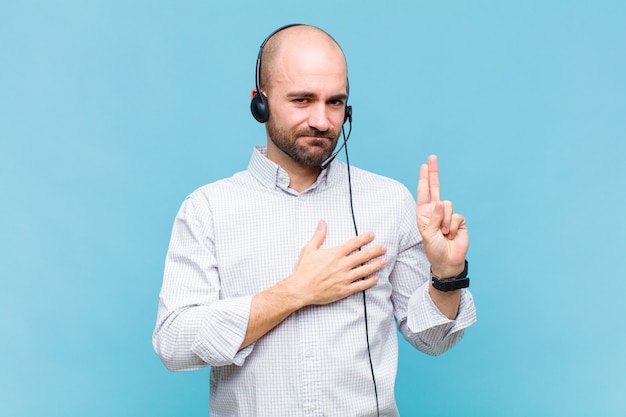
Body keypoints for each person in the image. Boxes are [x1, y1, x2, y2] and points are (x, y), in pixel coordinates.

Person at [153, 24, 476, 417]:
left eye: (335, 102)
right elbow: (173, 343)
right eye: (302, 100)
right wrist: (294, 292)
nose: (322, 121)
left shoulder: (388, 201)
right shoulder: (208, 209)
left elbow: (434, 339)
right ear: (260, 103)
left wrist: (447, 274)